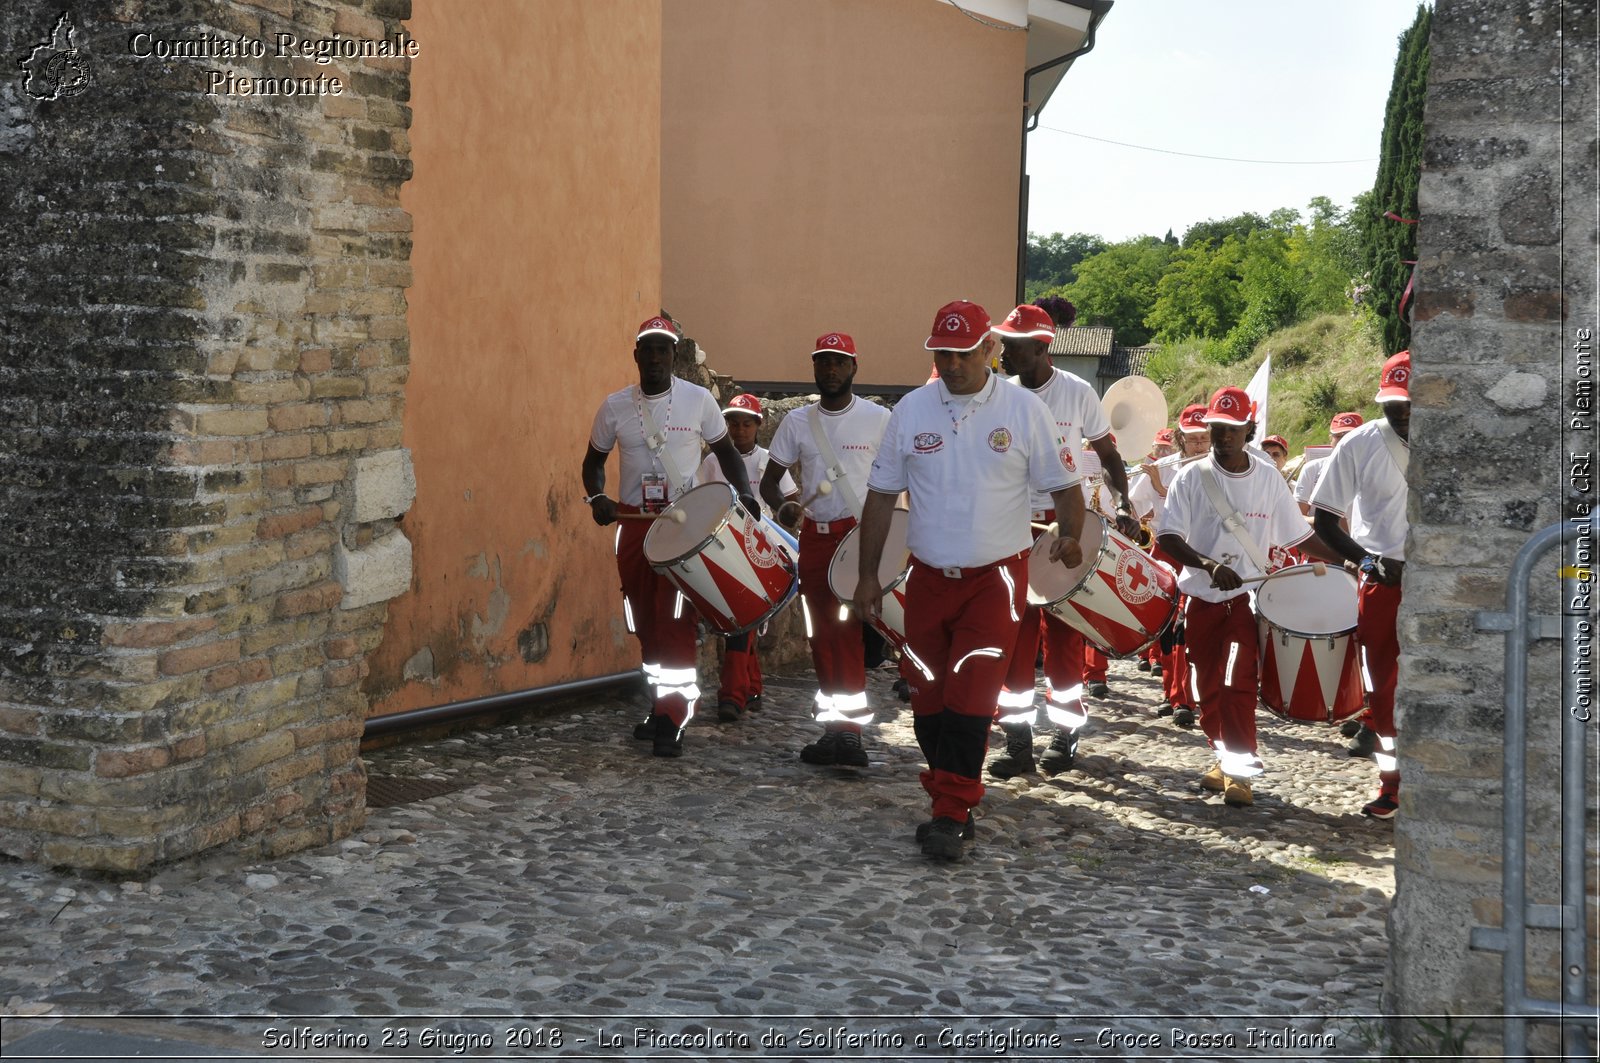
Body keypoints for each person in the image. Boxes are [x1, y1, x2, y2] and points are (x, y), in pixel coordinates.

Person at [853, 300, 1084, 861]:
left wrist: (1071, 533)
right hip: (928, 580)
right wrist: (867, 577)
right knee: (929, 696)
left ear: (989, 349)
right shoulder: (910, 411)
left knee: (972, 693)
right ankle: (949, 794)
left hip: (995, 580)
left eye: (961, 353)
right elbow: (881, 498)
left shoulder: (1024, 410)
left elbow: (1066, 488)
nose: (951, 364)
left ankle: (952, 812)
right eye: (941, 353)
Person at [581, 316, 760, 758]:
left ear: (675, 356)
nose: (656, 357)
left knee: (675, 625)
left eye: (664, 349)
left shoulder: (699, 401)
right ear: (637, 356)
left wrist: (747, 497)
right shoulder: (615, 406)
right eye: (649, 349)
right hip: (634, 527)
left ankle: (675, 718)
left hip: (682, 531)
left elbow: (727, 455)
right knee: (645, 626)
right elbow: (593, 462)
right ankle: (661, 707)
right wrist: (597, 496)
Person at [1156, 386, 1336, 807]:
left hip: (1247, 601)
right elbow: (1166, 536)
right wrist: (1208, 565)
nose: (1222, 437)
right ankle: (1224, 756)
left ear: (1250, 430)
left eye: (1232, 430)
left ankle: (1241, 772)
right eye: (1217, 428)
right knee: (1205, 687)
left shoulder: (1268, 477)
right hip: (1201, 601)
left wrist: (1353, 558)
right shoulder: (1190, 477)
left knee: (1236, 681)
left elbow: (1300, 535)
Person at [987, 304, 1136, 778]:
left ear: (1041, 347)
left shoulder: (1077, 392)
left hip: (1064, 523)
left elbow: (1108, 455)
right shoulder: (996, 395)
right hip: (1010, 524)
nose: (1003, 353)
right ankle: (1016, 741)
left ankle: (1066, 732)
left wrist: (1126, 501)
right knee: (1013, 637)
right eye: (1003, 343)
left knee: (1064, 639)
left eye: (1012, 345)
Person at [762, 332, 890, 767]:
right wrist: (785, 507)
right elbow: (768, 481)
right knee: (821, 636)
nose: (830, 370)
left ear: (854, 367)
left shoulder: (878, 418)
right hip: (815, 538)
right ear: (814, 369)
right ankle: (834, 730)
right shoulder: (797, 422)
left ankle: (851, 734)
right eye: (823, 363)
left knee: (848, 633)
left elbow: (902, 477)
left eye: (838, 362)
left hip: (860, 537)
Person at [1310, 352, 1411, 819]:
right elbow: (1325, 520)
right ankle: (1391, 784)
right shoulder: (1361, 443)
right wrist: (1368, 561)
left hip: (1444, 582)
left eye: (1409, 401)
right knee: (1385, 688)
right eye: (1392, 402)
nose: (1402, 410)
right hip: (1385, 581)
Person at [694, 393, 798, 723]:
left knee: (744, 619)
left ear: (759, 425)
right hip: (724, 546)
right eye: (733, 424)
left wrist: (789, 513)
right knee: (740, 618)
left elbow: (789, 502)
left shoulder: (771, 461)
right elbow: (699, 496)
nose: (739, 431)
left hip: (763, 549)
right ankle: (748, 687)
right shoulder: (713, 462)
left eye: (746, 424)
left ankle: (733, 694)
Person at [1140, 405, 1210, 727]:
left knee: (1184, 624)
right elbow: (1133, 503)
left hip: (1199, 552)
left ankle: (1184, 697)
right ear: (1180, 439)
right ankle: (1172, 691)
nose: (1199, 446)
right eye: (1192, 440)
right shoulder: (1165, 465)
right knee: (1166, 625)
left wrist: (1161, 490)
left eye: (1204, 439)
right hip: (1166, 549)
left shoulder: (1216, 468)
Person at [1295, 412, 1363, 516]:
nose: (1345, 441)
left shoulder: (1374, 469)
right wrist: (1325, 524)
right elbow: (1298, 517)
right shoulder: (1312, 469)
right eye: (1339, 436)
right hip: (1322, 532)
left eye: (1351, 436)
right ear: (1330, 439)